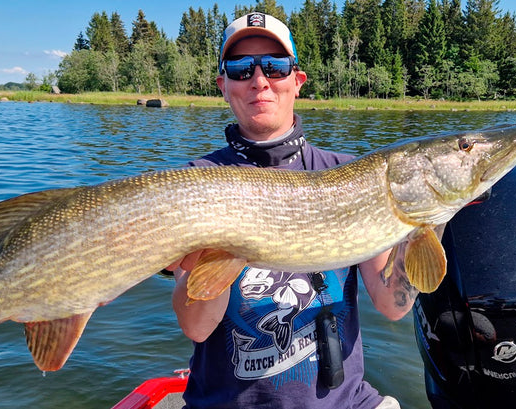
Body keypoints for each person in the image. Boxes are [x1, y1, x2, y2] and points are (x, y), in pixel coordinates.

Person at [168, 13, 417, 409]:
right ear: (223, 86)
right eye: (240, 68)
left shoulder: (351, 175)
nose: (259, 80)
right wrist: (211, 253)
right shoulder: (197, 181)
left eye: (275, 65)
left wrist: (429, 220)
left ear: (297, 81)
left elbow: (392, 305)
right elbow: (197, 328)